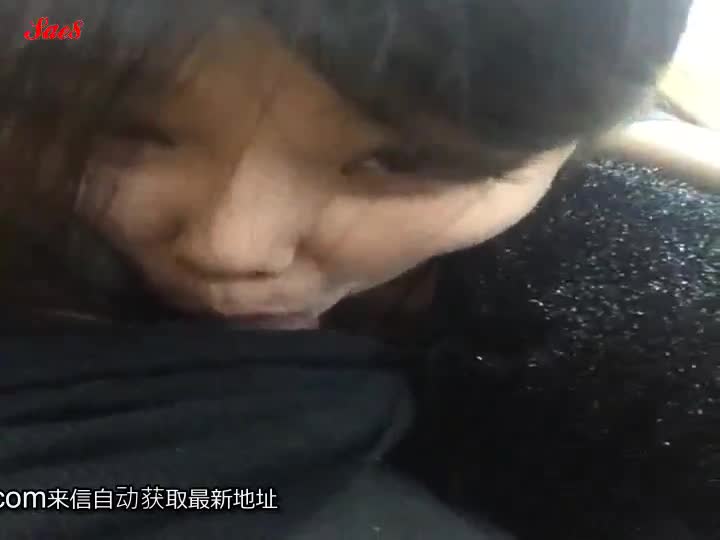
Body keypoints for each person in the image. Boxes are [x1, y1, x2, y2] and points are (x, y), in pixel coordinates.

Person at [1, 1, 715, 539]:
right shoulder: (47, 32)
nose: (230, 248)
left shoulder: (652, 332)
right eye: (122, 128)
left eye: (404, 160)